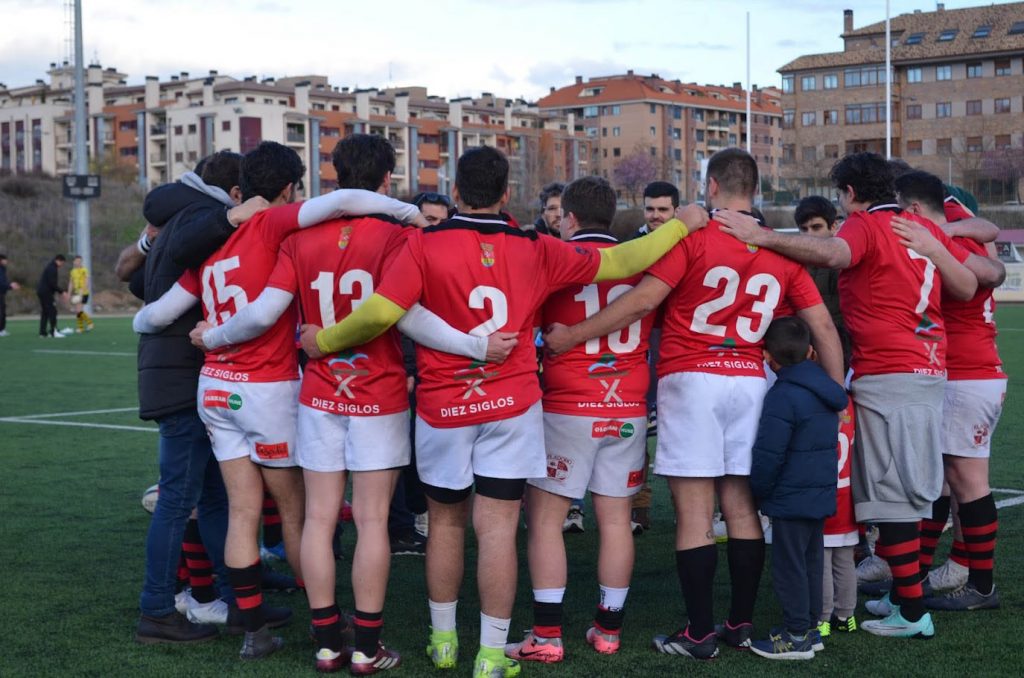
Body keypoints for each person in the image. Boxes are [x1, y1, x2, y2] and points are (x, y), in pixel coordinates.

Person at [300, 145, 708, 677]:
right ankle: (491, 656)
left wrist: (323, 341)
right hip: (512, 405)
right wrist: (681, 224)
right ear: (505, 192)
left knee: (445, 524)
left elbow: (381, 312)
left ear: (455, 190)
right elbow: (622, 261)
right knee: (497, 528)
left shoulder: (423, 242)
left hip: (444, 407)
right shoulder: (535, 246)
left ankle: (443, 643)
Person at [188, 134, 505, 673]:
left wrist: (213, 337)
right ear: (387, 180)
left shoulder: (300, 237)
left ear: (335, 177)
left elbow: (266, 311)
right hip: (377, 391)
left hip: (319, 393)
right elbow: (407, 316)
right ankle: (366, 648)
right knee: (373, 521)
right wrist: (474, 346)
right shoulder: (401, 236)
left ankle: (327, 643)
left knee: (317, 518)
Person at [543, 148, 843, 660]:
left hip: (692, 378)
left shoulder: (694, 238)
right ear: (756, 189)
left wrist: (572, 336)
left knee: (694, 512)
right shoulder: (779, 249)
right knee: (742, 509)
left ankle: (699, 633)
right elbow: (823, 328)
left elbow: (642, 301)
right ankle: (740, 624)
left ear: (711, 187)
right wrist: (833, 394)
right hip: (750, 381)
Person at [715, 151, 985, 639]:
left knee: (890, 497)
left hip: (890, 372)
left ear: (851, 193)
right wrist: (941, 246)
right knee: (909, 490)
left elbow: (836, 254)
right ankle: (905, 599)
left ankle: (912, 612)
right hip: (927, 367)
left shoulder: (868, 223)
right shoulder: (917, 225)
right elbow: (969, 284)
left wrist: (764, 236)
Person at [505, 176, 655, 664]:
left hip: (568, 407)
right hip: (626, 406)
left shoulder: (554, 260)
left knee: (545, 522)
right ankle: (608, 630)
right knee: (616, 520)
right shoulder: (642, 260)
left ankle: (548, 635)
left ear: (569, 218)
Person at [895, 171, 1006, 612]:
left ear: (914, 208)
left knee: (967, 482)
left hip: (968, 374)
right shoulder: (953, 227)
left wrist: (942, 240)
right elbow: (986, 231)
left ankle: (981, 587)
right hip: (963, 373)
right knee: (941, 482)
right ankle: (918, 579)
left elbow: (992, 270)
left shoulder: (944, 239)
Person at [747, 317, 847, 660]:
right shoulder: (825, 390)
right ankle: (809, 630)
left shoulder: (782, 395)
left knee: (790, 567)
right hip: (819, 493)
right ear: (811, 352)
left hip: (790, 497)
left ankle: (795, 636)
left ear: (767, 357)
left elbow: (769, 453)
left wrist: (759, 490)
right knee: (811, 563)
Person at [37, 254, 67, 338]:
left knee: (45, 312)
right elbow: (52, 283)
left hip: (42, 292)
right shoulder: (52, 268)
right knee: (53, 311)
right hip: (46, 293)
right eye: (62, 263)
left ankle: (42, 332)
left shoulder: (50, 267)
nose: (62, 265)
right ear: (58, 260)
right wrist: (62, 292)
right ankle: (53, 332)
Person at [69, 255, 94, 332]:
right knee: (78, 311)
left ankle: (85, 325)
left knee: (79, 310)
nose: (78, 262)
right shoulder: (72, 271)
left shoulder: (84, 270)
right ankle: (85, 325)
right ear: (74, 262)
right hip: (77, 293)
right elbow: (71, 283)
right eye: (77, 261)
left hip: (84, 293)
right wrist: (68, 293)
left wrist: (82, 292)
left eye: (80, 261)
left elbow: (87, 282)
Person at [0, 253, 20, 336]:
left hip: (2, 293)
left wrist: (10, 285)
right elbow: (1, 283)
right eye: (5, 260)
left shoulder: (3, 269)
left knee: (3, 312)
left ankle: (2, 329)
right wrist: (10, 286)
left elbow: (3, 282)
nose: (6, 261)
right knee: (1, 312)